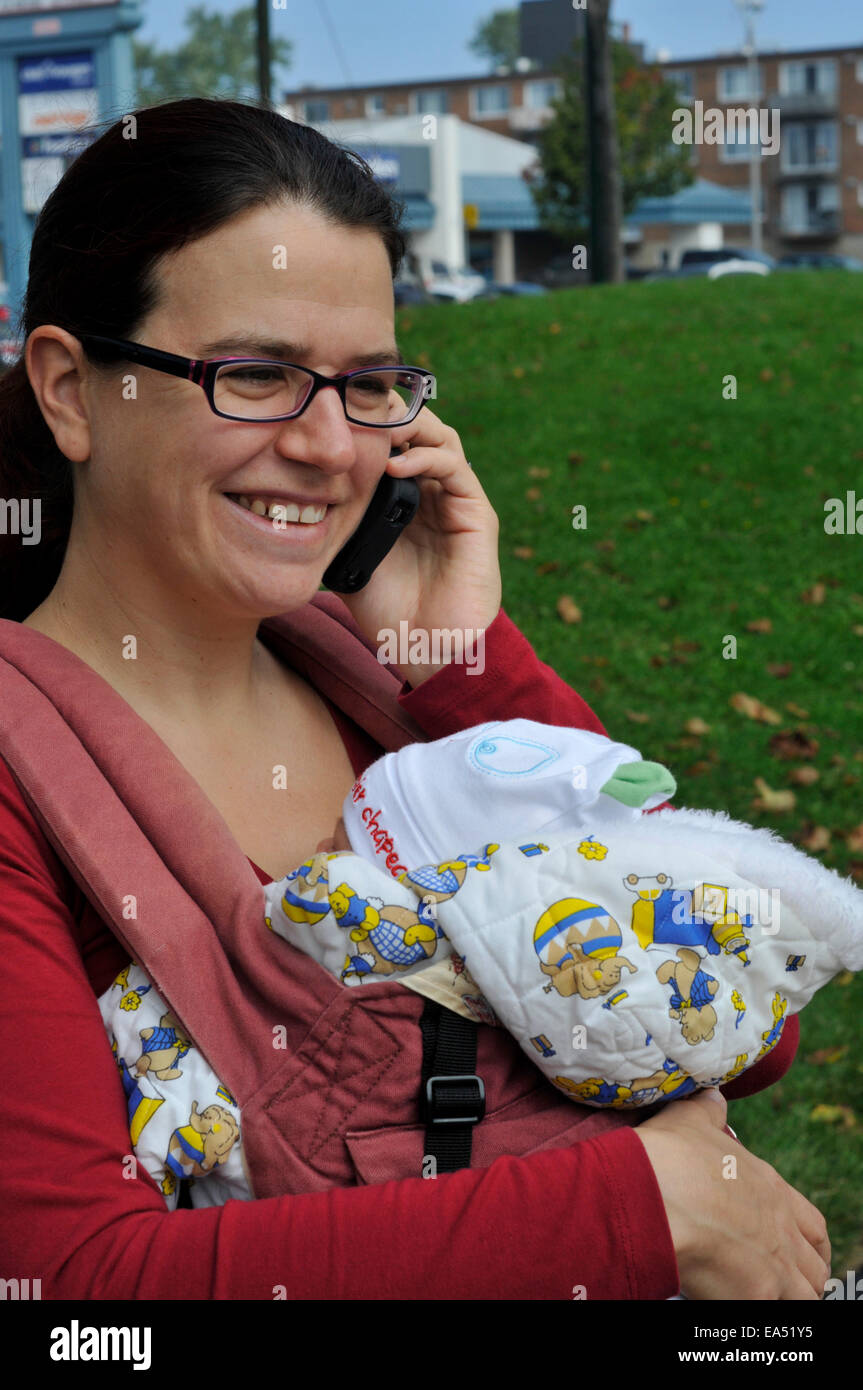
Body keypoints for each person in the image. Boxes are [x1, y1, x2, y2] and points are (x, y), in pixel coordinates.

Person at [0, 97, 829, 1301]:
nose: (334, 447)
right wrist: (642, 1210)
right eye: (258, 373)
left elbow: (738, 1017)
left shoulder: (380, 687)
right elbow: (74, 1294)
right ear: (73, 390)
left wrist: (459, 654)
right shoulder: (25, 783)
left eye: (372, 384)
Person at [98, 717, 863, 1213]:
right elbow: (764, 1058)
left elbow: (273, 937)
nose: (323, 848)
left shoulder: (352, 911)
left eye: (348, 835)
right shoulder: (655, 988)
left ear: (422, 872)